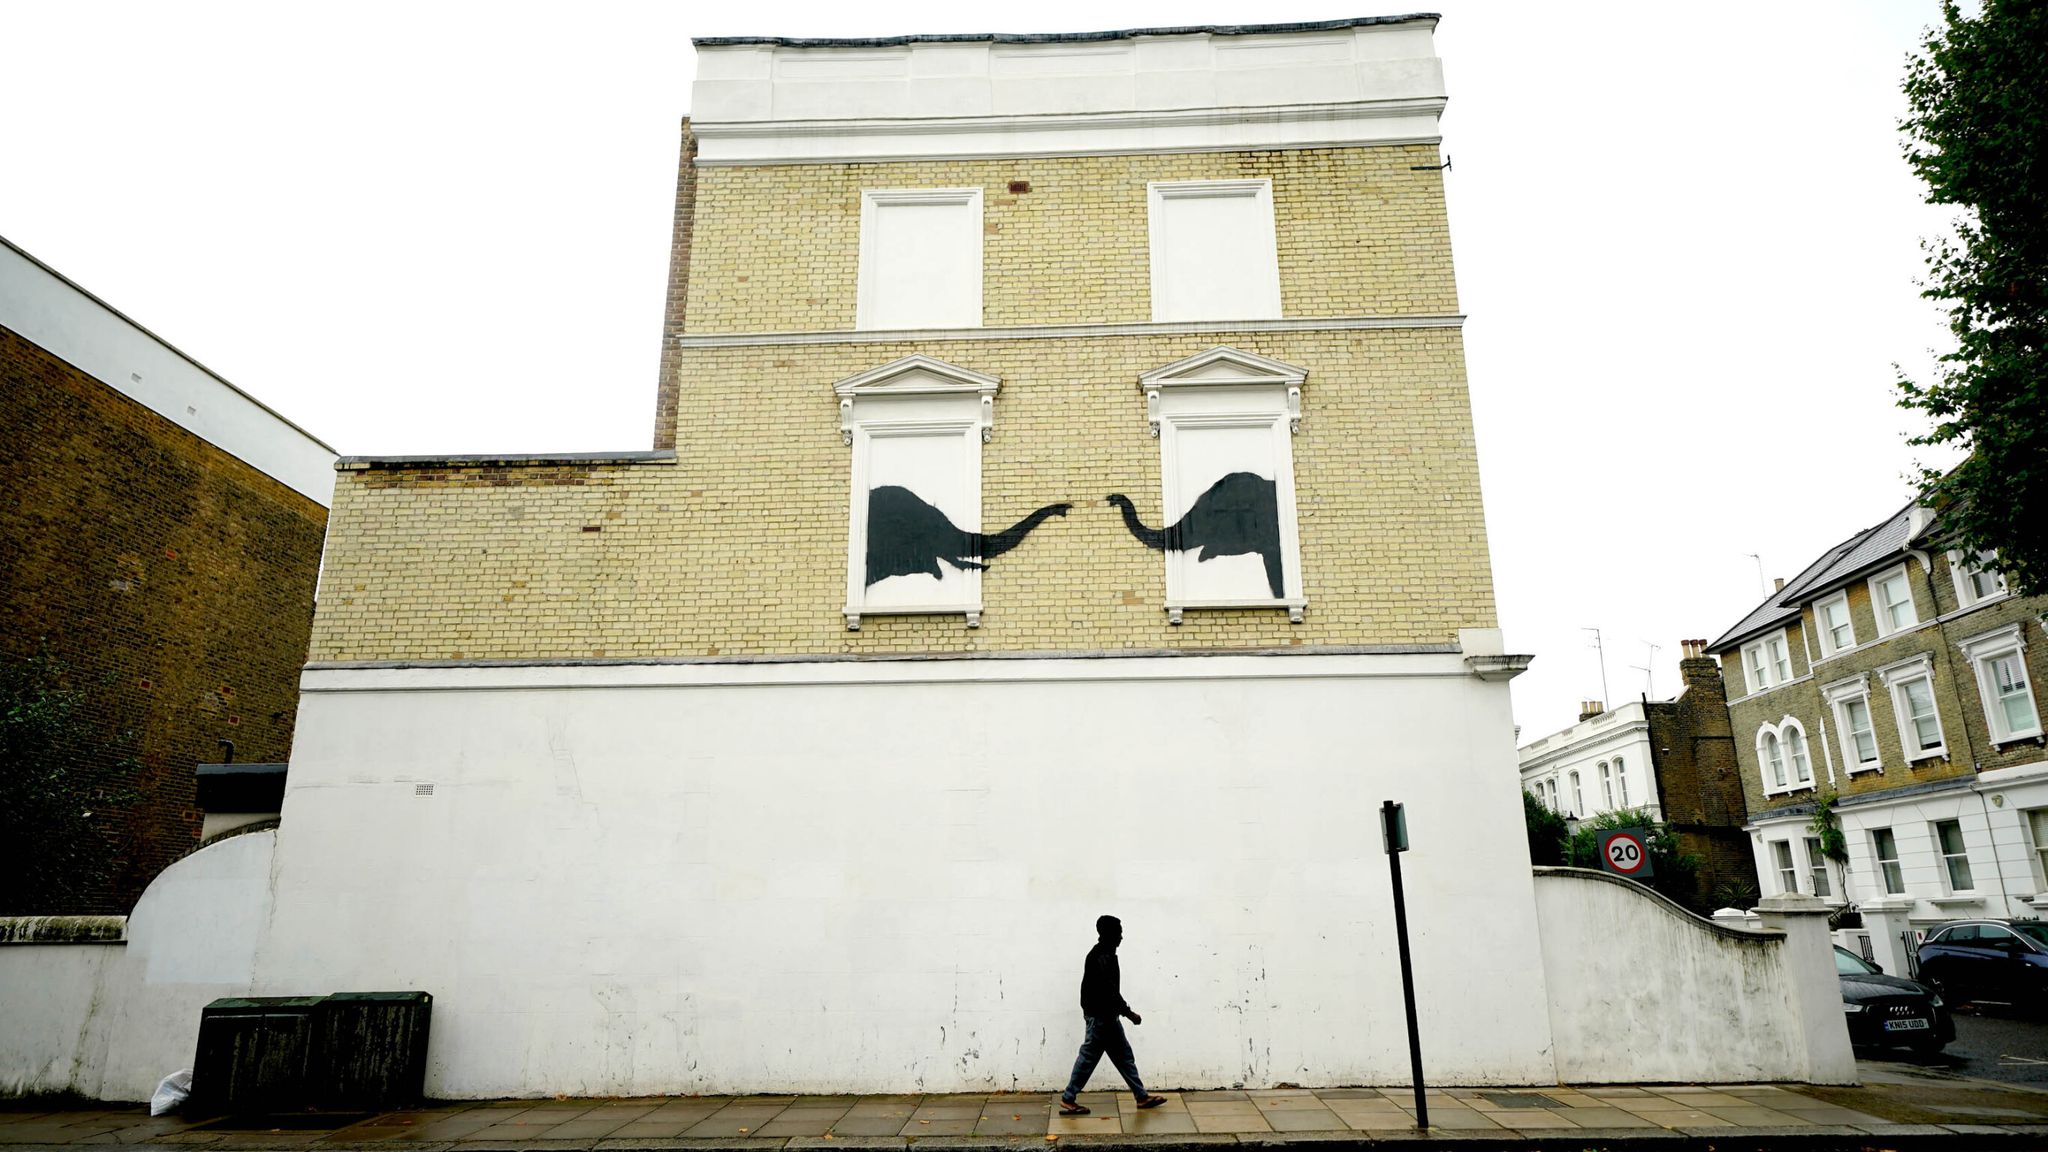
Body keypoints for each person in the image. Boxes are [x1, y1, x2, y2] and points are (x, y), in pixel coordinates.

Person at [1058, 914, 1168, 1115]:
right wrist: (1129, 1014)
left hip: (1106, 1017)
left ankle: (1141, 1096)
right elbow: (1110, 991)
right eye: (1119, 932)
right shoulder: (1101, 957)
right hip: (1100, 1018)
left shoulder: (1104, 954)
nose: (1122, 937)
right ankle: (1068, 1098)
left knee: (1124, 1057)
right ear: (1109, 934)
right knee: (1088, 1058)